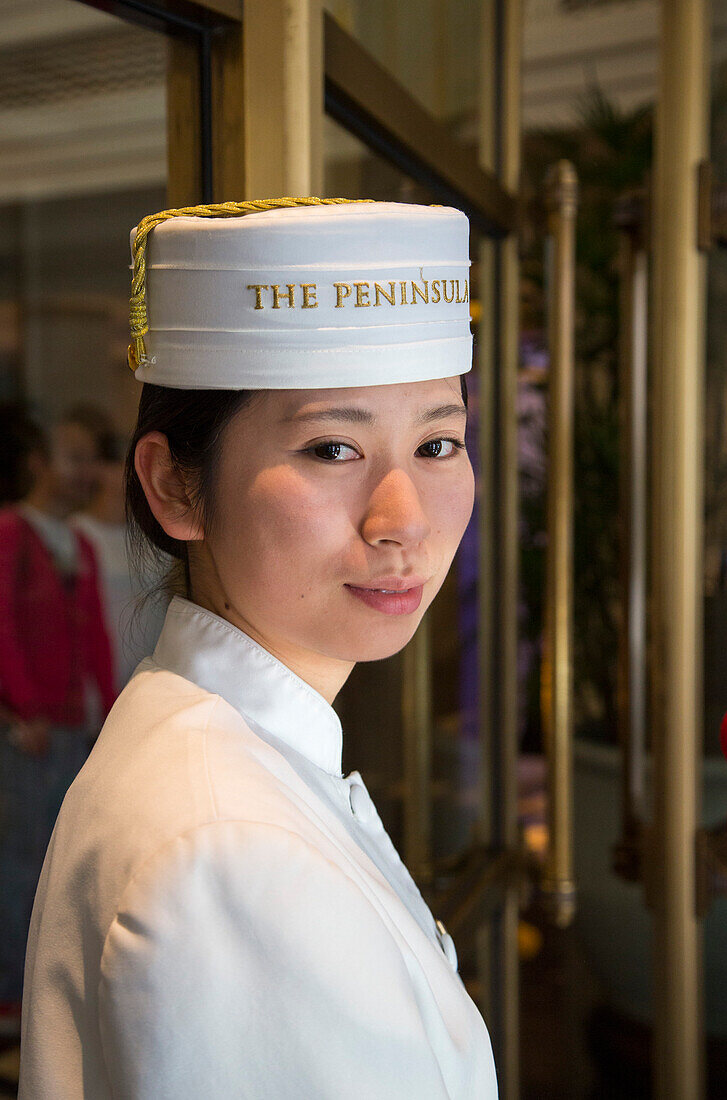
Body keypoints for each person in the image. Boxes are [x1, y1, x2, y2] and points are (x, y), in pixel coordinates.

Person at [18, 197, 497, 1098]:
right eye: (330, 448)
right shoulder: (228, 851)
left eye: (438, 442)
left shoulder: (213, 740)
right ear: (175, 487)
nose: (402, 523)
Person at [0, 408, 116, 1031]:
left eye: (88, 458)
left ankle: (46, 989)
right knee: (19, 855)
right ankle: (10, 992)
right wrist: (25, 706)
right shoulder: (13, 531)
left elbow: (96, 634)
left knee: (61, 856)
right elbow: (3, 627)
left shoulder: (80, 542)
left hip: (78, 722)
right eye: (70, 457)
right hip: (30, 727)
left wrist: (114, 711)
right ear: (39, 462)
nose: (83, 472)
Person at [69, 405, 170, 694]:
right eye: (119, 463)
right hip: (101, 673)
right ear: (100, 469)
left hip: (153, 672)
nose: (130, 474)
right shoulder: (79, 532)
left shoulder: (152, 535)